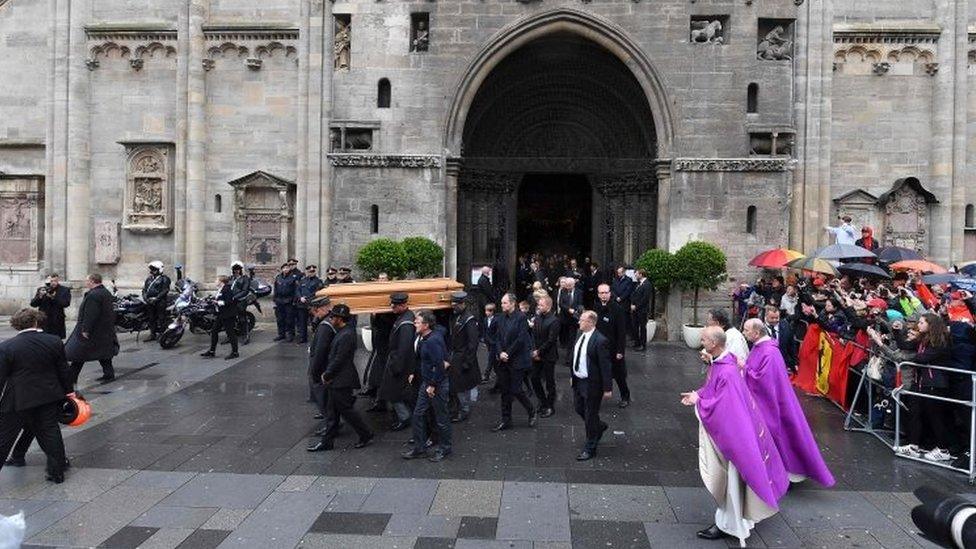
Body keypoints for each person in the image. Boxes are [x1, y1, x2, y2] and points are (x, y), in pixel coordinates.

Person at [680, 326, 788, 546]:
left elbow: (723, 404)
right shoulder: (724, 361)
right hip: (740, 433)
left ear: (714, 344)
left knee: (732, 483)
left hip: (734, 439)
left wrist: (699, 402)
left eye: (704, 340)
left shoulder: (727, 371)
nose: (701, 342)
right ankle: (734, 521)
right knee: (735, 483)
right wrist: (699, 393)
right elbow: (714, 389)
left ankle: (729, 524)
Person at [741, 319, 835, 487]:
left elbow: (763, 380)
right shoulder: (761, 348)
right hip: (770, 401)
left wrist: (744, 367)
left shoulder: (768, 352)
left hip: (774, 404)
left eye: (746, 330)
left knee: (781, 439)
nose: (744, 332)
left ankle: (780, 474)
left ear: (756, 333)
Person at [0, 308, 74, 483]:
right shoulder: (54, 341)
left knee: (4, 437)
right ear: (36, 321)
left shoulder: (7, 346)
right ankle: (56, 473)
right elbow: (63, 370)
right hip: (48, 395)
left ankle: (17, 457)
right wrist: (69, 392)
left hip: (18, 399)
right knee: (50, 432)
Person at [868, 312, 955, 461]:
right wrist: (896, 330)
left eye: (922, 322)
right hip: (920, 382)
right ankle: (913, 445)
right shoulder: (923, 339)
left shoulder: (940, 341)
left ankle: (943, 449)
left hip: (935, 383)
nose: (918, 325)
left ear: (931, 325)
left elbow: (922, 357)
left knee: (935, 417)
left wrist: (908, 357)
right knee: (914, 413)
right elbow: (905, 345)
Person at [307, 304, 373, 451]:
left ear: (340, 319)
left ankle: (366, 433)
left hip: (341, 380)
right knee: (332, 412)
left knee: (346, 410)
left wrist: (327, 374)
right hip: (337, 379)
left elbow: (339, 359)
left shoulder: (346, 335)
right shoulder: (343, 331)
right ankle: (327, 442)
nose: (331, 319)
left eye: (333, 317)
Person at [402, 310, 452, 462]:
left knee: (441, 417)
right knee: (417, 414)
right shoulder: (423, 338)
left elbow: (440, 365)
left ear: (426, 325)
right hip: (427, 383)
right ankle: (420, 448)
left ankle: (445, 448)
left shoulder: (432, 340)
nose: (415, 324)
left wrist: (432, 385)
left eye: (417, 322)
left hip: (436, 384)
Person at [570, 310, 612, 460]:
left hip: (592, 384)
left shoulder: (600, 341)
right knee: (579, 408)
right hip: (578, 380)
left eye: (582, 320)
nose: (579, 322)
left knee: (590, 415)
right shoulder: (579, 334)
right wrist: (573, 375)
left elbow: (605, 366)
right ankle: (599, 426)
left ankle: (590, 447)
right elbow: (575, 355)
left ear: (591, 322)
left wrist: (607, 388)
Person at [493, 293, 537, 431]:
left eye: (505, 303)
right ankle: (506, 420)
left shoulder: (521, 318)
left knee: (516, 389)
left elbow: (521, 338)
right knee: (505, 391)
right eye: (502, 303)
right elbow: (498, 337)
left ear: (512, 303)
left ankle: (531, 410)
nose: (502, 305)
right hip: (503, 360)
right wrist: (500, 352)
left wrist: (508, 353)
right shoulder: (500, 318)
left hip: (517, 360)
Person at [65, 273, 118, 383]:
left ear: (92, 281)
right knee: (103, 353)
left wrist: (85, 329)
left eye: (87, 281)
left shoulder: (94, 295)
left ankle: (71, 377)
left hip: (94, 330)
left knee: (79, 353)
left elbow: (91, 314)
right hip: (103, 330)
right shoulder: (105, 292)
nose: (86, 283)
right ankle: (109, 374)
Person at [379, 293, 416, 431]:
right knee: (394, 392)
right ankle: (404, 415)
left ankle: (405, 417)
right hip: (397, 361)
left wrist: (396, 367)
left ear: (403, 305)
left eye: (394, 305)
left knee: (394, 393)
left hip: (400, 364)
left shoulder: (406, 323)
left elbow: (404, 348)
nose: (392, 307)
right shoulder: (404, 318)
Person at [594, 284, 630, 408]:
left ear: (610, 293)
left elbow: (621, 332)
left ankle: (625, 396)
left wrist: (620, 351)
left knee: (619, 375)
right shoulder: (596, 307)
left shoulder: (617, 309)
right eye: (601, 293)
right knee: (598, 373)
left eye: (606, 292)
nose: (603, 295)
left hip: (614, 348)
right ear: (598, 294)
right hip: (600, 348)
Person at [447, 292, 481, 423]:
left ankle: (464, 410)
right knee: (456, 385)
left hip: (463, 358)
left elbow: (473, 343)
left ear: (462, 304)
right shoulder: (458, 316)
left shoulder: (469, 320)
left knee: (462, 386)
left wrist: (468, 361)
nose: (453, 306)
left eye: (455, 304)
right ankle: (457, 408)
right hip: (456, 356)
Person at [305, 295, 335, 437]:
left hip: (322, 365)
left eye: (315, 311)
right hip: (324, 364)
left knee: (323, 396)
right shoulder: (324, 321)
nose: (313, 314)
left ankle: (331, 424)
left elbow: (321, 350)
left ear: (322, 309)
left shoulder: (325, 325)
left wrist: (315, 372)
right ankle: (329, 420)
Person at [531, 294, 559, 417]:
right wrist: (534, 350)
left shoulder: (554, 320)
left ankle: (550, 406)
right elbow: (533, 335)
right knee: (534, 378)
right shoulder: (537, 318)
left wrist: (539, 352)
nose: (538, 306)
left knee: (549, 382)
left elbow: (551, 340)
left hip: (548, 356)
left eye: (541, 305)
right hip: (536, 354)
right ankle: (542, 401)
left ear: (548, 306)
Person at [200, 275, 239, 360]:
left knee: (230, 333)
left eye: (216, 280)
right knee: (214, 331)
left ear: (221, 282)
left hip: (228, 315)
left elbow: (228, 301)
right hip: (221, 314)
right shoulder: (221, 289)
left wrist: (217, 302)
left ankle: (235, 352)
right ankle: (212, 351)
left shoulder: (227, 289)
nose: (215, 281)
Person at [29, 273, 71, 339]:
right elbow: (33, 304)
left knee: (56, 340)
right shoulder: (42, 289)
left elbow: (66, 304)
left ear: (58, 280)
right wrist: (40, 296)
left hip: (57, 320)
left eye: (55, 281)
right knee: (43, 339)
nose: (53, 283)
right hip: (44, 320)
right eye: (51, 281)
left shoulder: (64, 290)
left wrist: (53, 298)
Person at [141, 260, 172, 342]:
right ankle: (152, 334)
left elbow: (165, 290)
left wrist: (156, 298)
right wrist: (145, 298)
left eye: (154, 269)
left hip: (160, 302)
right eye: (151, 269)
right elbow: (144, 290)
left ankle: (162, 334)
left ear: (159, 270)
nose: (152, 271)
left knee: (161, 318)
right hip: (150, 302)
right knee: (151, 318)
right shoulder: (149, 279)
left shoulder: (164, 279)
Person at [555, 277, 583, 367]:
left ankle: (569, 359)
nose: (567, 287)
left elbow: (580, 304)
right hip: (564, 318)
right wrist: (568, 309)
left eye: (569, 286)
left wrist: (577, 311)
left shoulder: (579, 292)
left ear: (573, 285)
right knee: (564, 337)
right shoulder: (563, 291)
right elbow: (561, 303)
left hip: (574, 320)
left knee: (572, 339)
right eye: (566, 285)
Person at [295, 265, 324, 345]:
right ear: (307, 272)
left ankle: (315, 338)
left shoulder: (318, 281)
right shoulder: (302, 280)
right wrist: (300, 297)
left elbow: (317, 293)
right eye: (309, 272)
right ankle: (302, 338)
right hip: (302, 305)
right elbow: (298, 290)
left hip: (312, 305)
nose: (311, 273)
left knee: (314, 322)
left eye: (313, 271)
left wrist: (307, 298)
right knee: (302, 323)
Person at [273, 263, 299, 342]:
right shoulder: (278, 277)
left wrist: (294, 300)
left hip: (289, 301)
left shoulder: (293, 278)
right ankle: (281, 334)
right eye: (284, 268)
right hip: (279, 301)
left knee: (289, 319)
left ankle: (289, 334)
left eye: (287, 268)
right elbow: (276, 289)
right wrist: (275, 299)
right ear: (282, 269)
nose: (285, 269)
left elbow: (296, 290)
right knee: (280, 319)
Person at [229, 261, 253, 345]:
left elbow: (245, 291)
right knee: (230, 318)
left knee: (242, 318)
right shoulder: (232, 278)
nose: (236, 271)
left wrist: (235, 297)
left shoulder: (245, 278)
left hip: (241, 300)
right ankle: (231, 336)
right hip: (231, 301)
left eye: (238, 269)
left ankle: (246, 335)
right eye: (235, 269)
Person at [630, 269, 652, 350]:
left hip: (642, 310)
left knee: (642, 328)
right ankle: (637, 343)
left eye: (636, 274)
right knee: (635, 326)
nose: (635, 276)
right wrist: (632, 304)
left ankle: (643, 345)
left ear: (641, 274)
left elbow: (645, 299)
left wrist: (636, 306)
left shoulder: (647, 284)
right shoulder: (638, 284)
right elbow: (634, 295)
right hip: (635, 310)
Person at [481, 302, 499, 386]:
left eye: (489, 311)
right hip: (488, 342)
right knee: (493, 360)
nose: (486, 312)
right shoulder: (485, 319)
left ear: (492, 312)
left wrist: (494, 341)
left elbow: (497, 332)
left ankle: (486, 375)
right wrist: (485, 340)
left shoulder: (496, 320)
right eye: (486, 311)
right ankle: (498, 373)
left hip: (494, 343)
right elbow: (485, 331)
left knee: (491, 358)